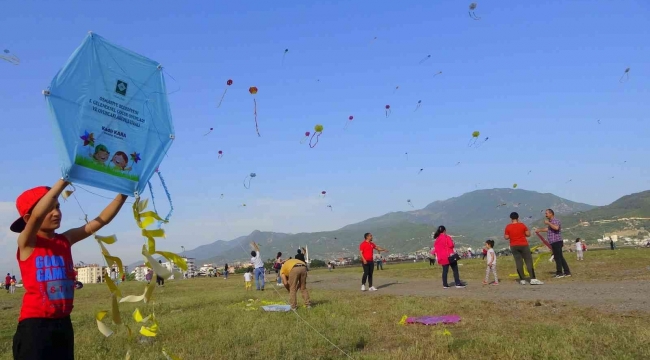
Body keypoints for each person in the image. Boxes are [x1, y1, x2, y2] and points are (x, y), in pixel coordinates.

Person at [10, 180, 127, 359]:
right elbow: (36, 218)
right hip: (35, 327)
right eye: (49, 208)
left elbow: (101, 220)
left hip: (63, 324)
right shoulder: (27, 244)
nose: (56, 212)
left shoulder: (66, 239)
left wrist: (124, 192)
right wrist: (63, 182)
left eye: (57, 206)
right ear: (28, 218)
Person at [505, 212, 544, 285]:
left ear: (511, 218)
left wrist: (512, 235)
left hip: (514, 245)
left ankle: (522, 279)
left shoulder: (508, 227)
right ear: (518, 218)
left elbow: (506, 237)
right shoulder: (522, 225)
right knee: (528, 261)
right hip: (523, 245)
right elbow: (528, 234)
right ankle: (532, 279)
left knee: (519, 262)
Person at [536, 209, 571, 278]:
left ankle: (559, 273)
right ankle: (567, 272)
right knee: (560, 257)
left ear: (551, 214)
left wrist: (548, 223)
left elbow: (556, 228)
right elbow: (548, 229)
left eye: (546, 213)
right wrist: (539, 230)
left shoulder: (556, 221)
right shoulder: (551, 222)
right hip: (553, 242)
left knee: (557, 258)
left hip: (557, 242)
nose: (546, 215)